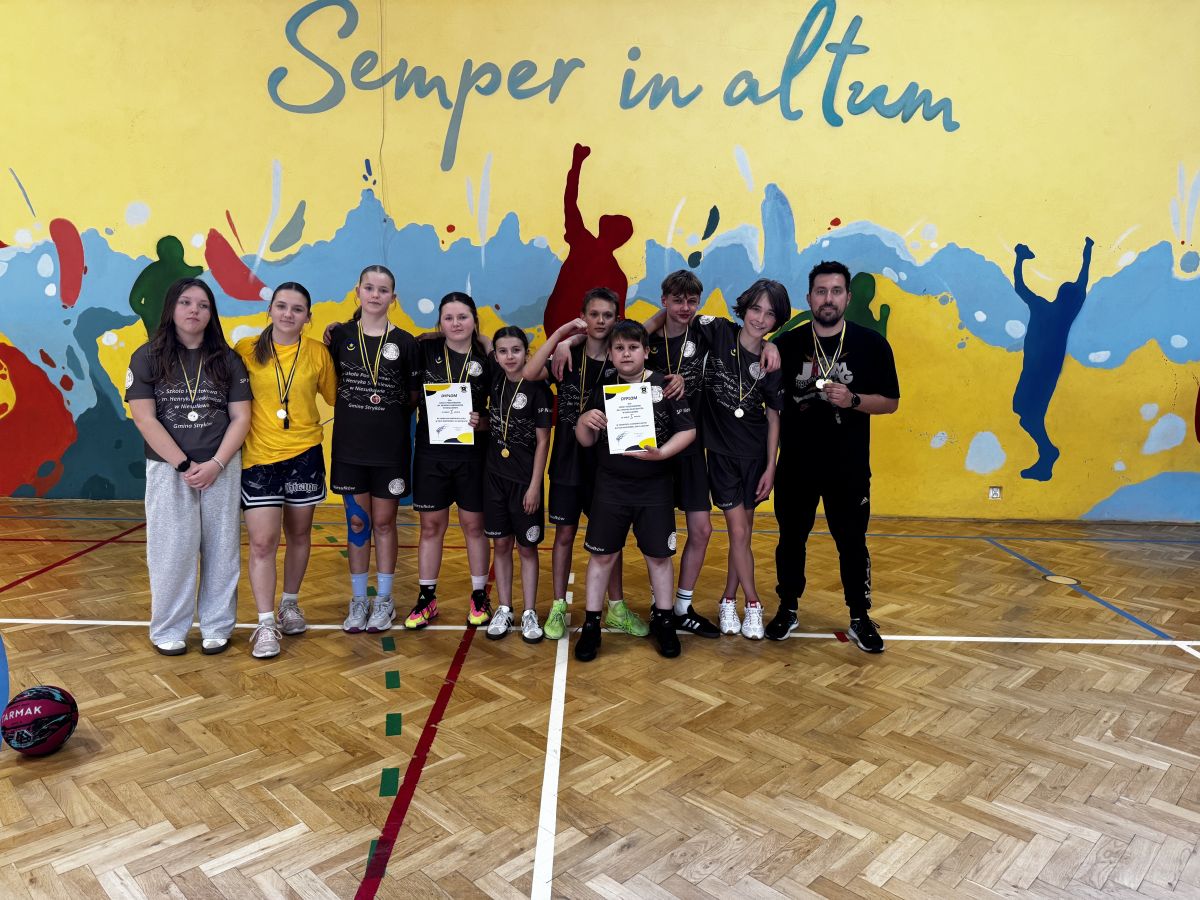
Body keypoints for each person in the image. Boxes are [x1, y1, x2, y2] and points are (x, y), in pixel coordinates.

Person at [770, 261, 900, 653]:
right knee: (791, 540)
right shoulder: (786, 344)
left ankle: (860, 616)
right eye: (821, 291)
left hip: (848, 466)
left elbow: (891, 402)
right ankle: (788, 607)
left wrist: (854, 399)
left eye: (836, 291)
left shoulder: (871, 344)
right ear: (809, 297)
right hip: (796, 464)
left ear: (848, 297)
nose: (828, 298)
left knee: (852, 542)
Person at [126, 278, 251, 656]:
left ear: (211, 314)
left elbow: (241, 417)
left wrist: (216, 463)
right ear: (171, 308)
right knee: (171, 550)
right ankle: (168, 629)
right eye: (186, 302)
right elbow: (144, 418)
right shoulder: (146, 357)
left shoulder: (228, 359)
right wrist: (182, 464)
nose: (194, 310)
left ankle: (217, 626)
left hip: (220, 468)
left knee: (222, 550)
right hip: (168, 469)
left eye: (203, 305)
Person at [524, 287, 643, 641]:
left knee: (611, 540)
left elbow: (650, 332)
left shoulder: (622, 359)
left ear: (617, 318)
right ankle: (559, 605)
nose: (601, 321)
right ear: (583, 317)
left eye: (608, 315)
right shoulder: (568, 354)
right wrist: (562, 336)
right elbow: (530, 373)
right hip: (566, 461)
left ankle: (616, 607)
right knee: (563, 535)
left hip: (606, 464)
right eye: (594, 314)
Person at [574, 319, 696, 661]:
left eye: (632, 347)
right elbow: (585, 440)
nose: (626, 354)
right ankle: (592, 625)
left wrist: (662, 453)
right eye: (619, 348)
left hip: (655, 487)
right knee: (602, 556)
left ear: (645, 351)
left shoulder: (664, 385)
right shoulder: (603, 387)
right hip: (611, 487)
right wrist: (583, 421)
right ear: (611, 354)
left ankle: (665, 622)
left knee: (659, 557)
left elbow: (688, 430)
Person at [234, 283, 337, 658]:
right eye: (281, 306)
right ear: (270, 310)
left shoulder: (317, 353)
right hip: (259, 458)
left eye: (297, 309)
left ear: (308, 317)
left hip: (304, 456)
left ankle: (290, 603)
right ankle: (265, 623)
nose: (288, 314)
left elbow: (335, 397)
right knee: (263, 542)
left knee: (299, 534)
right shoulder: (245, 349)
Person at [327, 265, 420, 634]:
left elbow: (412, 397)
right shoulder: (339, 336)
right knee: (357, 523)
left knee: (384, 523)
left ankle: (384, 599)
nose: (375, 295)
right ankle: (358, 600)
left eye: (383, 290)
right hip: (349, 450)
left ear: (393, 298)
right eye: (369, 288)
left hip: (390, 451)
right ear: (358, 292)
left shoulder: (406, 343)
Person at [407, 292, 493, 629]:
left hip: (473, 455)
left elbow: (500, 408)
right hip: (431, 454)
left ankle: (479, 596)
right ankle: (426, 599)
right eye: (449, 318)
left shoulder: (488, 356)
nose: (456, 323)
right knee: (431, 527)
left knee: (474, 526)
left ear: (474, 320)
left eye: (463, 317)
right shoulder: (424, 350)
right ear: (439, 323)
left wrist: (481, 422)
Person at [643, 270, 718, 637]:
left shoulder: (705, 333)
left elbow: (748, 338)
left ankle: (682, 607)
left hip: (689, 446)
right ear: (664, 301)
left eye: (691, 301)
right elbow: (616, 340)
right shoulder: (646, 340)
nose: (685, 307)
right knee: (657, 534)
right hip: (652, 448)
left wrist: (767, 347)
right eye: (677, 300)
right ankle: (658, 606)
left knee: (702, 528)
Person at [484, 327, 553, 642]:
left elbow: (543, 441)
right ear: (496, 355)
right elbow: (478, 338)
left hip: (525, 482)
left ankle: (529, 612)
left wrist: (535, 486)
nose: (509, 356)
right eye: (503, 351)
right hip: (494, 478)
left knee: (527, 548)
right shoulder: (495, 380)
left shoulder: (538, 389)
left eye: (516, 350)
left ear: (527, 352)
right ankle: (504, 607)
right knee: (500, 545)